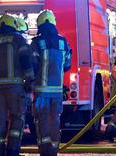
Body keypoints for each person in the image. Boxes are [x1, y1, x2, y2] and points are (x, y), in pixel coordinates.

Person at [0, 15, 35, 156]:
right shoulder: (18, 40)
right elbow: (26, 61)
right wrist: (30, 81)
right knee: (17, 119)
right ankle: (12, 151)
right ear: (13, 26)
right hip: (15, 89)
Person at [30, 9, 72, 156]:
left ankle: (44, 151)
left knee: (41, 122)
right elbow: (67, 65)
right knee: (54, 121)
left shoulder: (36, 43)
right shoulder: (63, 42)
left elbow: (31, 65)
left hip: (41, 92)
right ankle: (53, 151)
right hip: (57, 92)